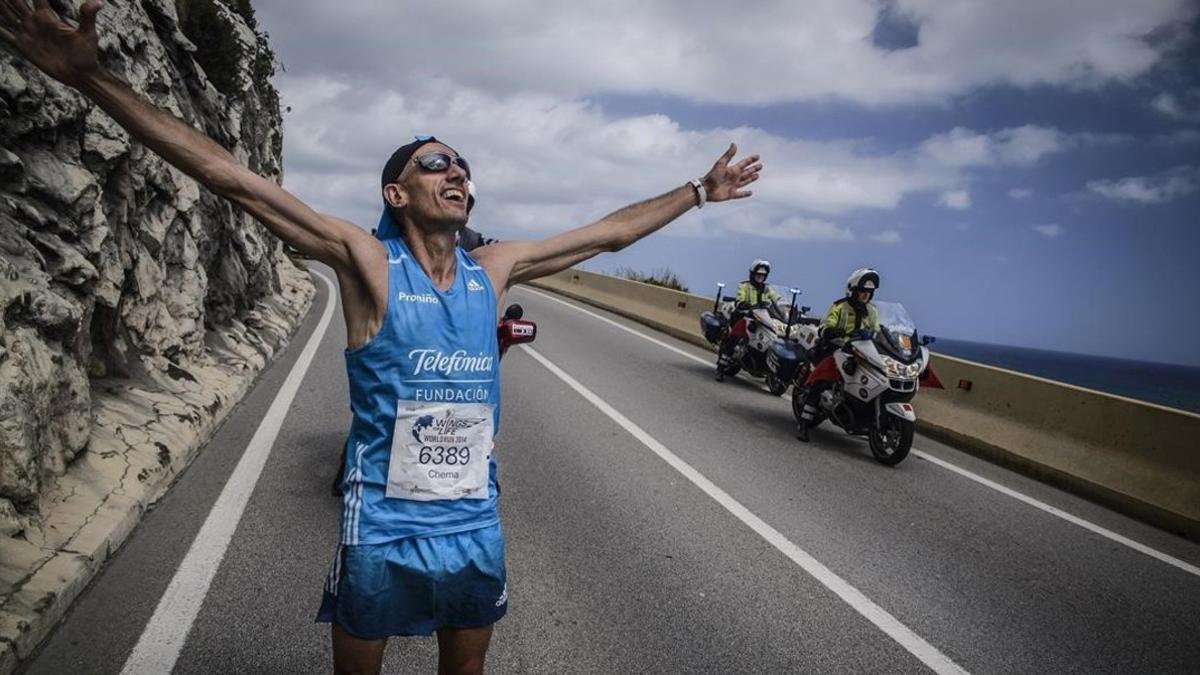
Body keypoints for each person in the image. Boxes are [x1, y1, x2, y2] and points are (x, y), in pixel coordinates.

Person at [0, 4, 763, 673]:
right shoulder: (368, 263)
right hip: (383, 528)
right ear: (397, 194)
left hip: (473, 521)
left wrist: (698, 191)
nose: (457, 171)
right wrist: (92, 79)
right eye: (437, 164)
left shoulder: (493, 270)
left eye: (464, 165)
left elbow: (609, 235)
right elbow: (234, 179)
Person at [795, 267, 880, 442]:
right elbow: (825, 326)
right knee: (823, 377)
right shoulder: (839, 306)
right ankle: (804, 423)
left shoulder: (872, 311)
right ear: (854, 290)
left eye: (869, 292)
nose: (866, 295)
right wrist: (834, 331)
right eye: (863, 291)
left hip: (861, 352)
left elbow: (878, 330)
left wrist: (880, 335)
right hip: (835, 348)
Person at [714, 259, 782, 381]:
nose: (760, 277)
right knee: (735, 336)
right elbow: (740, 299)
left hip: (761, 317)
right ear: (752, 274)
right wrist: (743, 304)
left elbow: (778, 300)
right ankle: (721, 367)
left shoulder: (767, 289)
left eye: (763, 275)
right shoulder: (744, 286)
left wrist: (786, 308)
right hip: (744, 315)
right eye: (758, 275)